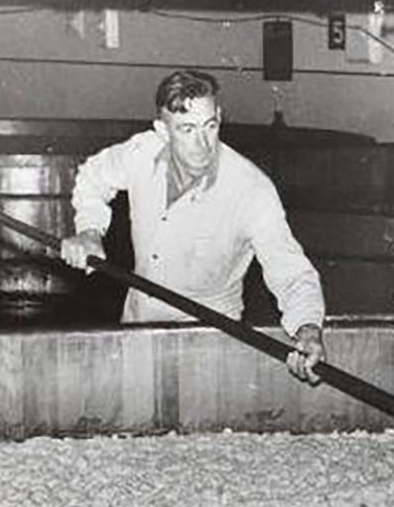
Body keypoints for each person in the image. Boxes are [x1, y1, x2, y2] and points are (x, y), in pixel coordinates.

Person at [61, 69, 326, 384]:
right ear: (163, 130)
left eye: (210, 126)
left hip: (211, 346)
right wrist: (90, 230)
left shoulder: (251, 189)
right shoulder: (141, 152)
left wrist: (308, 330)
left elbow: (291, 271)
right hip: (136, 334)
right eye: (187, 129)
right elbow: (93, 177)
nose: (203, 144)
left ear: (219, 118)